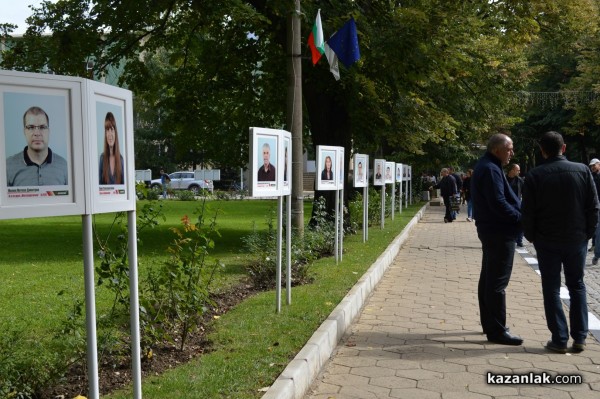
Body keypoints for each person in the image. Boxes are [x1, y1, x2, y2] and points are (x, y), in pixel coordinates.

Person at [522, 131, 598, 353]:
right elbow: (593, 206)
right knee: (577, 286)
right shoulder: (583, 170)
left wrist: (531, 236)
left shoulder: (535, 175)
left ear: (542, 151)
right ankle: (580, 337)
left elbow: (528, 212)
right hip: (576, 239)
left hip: (547, 241)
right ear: (563, 148)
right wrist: (587, 234)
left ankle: (559, 338)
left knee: (551, 289)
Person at [471, 133, 523, 346]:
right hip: (499, 232)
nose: (512, 152)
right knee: (497, 282)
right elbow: (498, 203)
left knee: (489, 279)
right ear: (497, 150)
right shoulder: (491, 169)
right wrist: (521, 219)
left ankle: (490, 325)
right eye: (509, 148)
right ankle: (497, 330)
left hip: (492, 230)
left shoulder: (489, 166)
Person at [6, 106, 68, 186]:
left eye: (42, 127)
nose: (37, 133)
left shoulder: (64, 166)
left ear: (48, 131)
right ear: (24, 131)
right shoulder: (8, 166)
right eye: (31, 127)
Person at [99, 112, 125, 185]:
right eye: (107, 130)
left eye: (112, 130)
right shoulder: (102, 158)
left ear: (115, 133)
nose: (110, 134)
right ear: (105, 134)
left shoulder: (121, 160)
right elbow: (99, 186)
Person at [506, 163, 524, 247]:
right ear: (512, 170)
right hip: (506, 204)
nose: (519, 172)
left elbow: (525, 192)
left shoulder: (520, 180)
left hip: (517, 205)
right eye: (518, 170)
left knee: (520, 221)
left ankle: (519, 240)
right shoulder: (504, 179)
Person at [589, 158, 600, 255]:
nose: (592, 167)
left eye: (594, 165)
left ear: (599, 164)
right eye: (591, 166)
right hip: (595, 204)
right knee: (595, 224)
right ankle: (594, 244)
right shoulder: (591, 176)